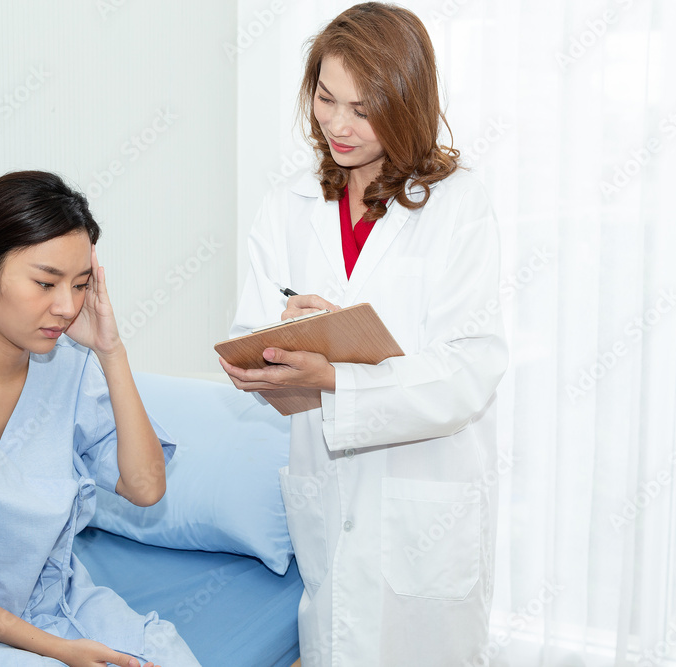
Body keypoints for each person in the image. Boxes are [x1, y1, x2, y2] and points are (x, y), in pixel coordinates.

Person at [220, 4, 509, 665]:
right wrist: (277, 347)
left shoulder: (459, 206)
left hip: (425, 511)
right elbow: (250, 342)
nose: (338, 125)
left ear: (406, 104)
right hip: (329, 501)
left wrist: (336, 376)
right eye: (326, 98)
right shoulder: (287, 205)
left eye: (362, 108)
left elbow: (470, 370)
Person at [0, 171, 201, 666]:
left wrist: (111, 352)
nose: (67, 307)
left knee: (167, 657)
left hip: (52, 603)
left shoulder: (71, 369)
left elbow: (145, 488)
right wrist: (56, 650)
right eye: (46, 283)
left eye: (80, 285)